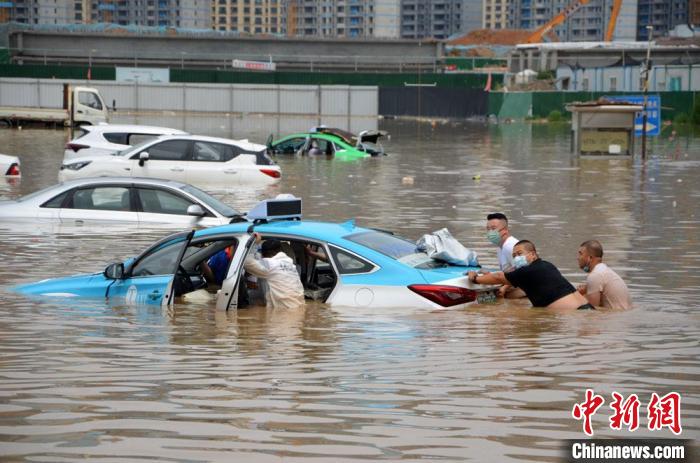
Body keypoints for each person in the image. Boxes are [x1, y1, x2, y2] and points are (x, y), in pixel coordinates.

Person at [467, 240, 594, 310]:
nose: (516, 258)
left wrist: (475, 279)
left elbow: (499, 277)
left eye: (520, 254)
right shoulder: (546, 265)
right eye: (514, 256)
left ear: (533, 254)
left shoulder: (527, 271)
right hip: (588, 310)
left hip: (574, 317)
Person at [244, 233, 305, 310]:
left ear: (264, 254)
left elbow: (246, 262)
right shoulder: (290, 263)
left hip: (283, 311)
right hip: (299, 307)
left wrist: (255, 244)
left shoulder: (268, 264)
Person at [577, 240, 632, 310]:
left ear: (590, 258)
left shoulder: (595, 275)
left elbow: (591, 311)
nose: (578, 258)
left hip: (615, 318)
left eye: (580, 254)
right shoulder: (605, 271)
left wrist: (578, 295)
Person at [485, 212, 523, 298]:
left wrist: (505, 288)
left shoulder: (510, 246)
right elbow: (509, 271)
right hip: (512, 285)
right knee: (485, 300)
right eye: (488, 229)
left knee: (486, 301)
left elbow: (524, 272)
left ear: (505, 230)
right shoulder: (500, 246)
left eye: (493, 228)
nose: (490, 232)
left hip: (524, 289)